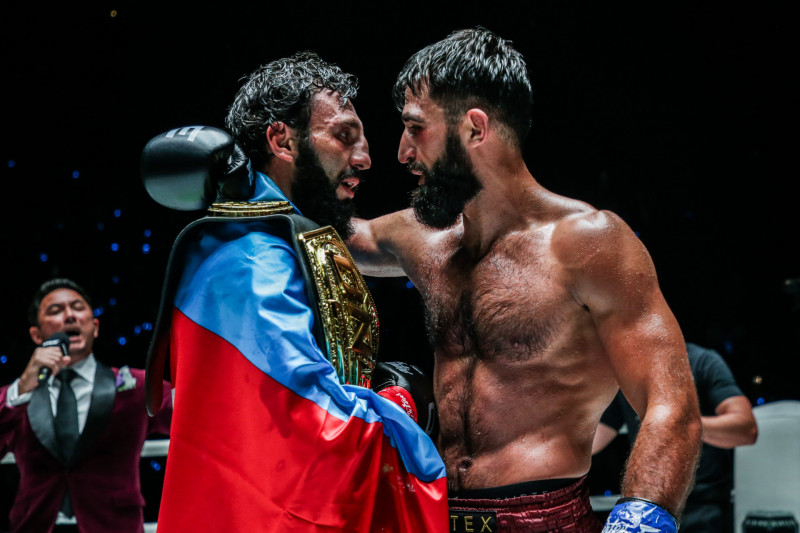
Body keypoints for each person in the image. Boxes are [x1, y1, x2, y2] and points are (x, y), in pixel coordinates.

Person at [346, 27, 702, 532]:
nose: (403, 151)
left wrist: (640, 521)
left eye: (415, 128)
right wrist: (275, 170)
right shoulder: (426, 239)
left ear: (474, 128)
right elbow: (326, 237)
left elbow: (671, 406)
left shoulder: (589, 243)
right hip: (434, 513)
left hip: (547, 518)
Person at [140, 51, 448, 532]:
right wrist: (401, 402)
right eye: (344, 136)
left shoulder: (278, 238)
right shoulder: (250, 261)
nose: (365, 158)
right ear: (282, 140)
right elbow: (310, 425)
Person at [0, 278, 173, 533]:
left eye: (78, 307)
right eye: (55, 310)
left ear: (95, 326)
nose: (70, 315)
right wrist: (24, 386)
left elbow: (191, 416)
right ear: (36, 335)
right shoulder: (14, 396)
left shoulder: (136, 386)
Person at [592, 342, 758, 532]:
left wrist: (684, 424)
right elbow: (593, 440)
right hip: (644, 506)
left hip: (702, 506)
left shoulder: (703, 361)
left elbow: (746, 428)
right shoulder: (627, 372)